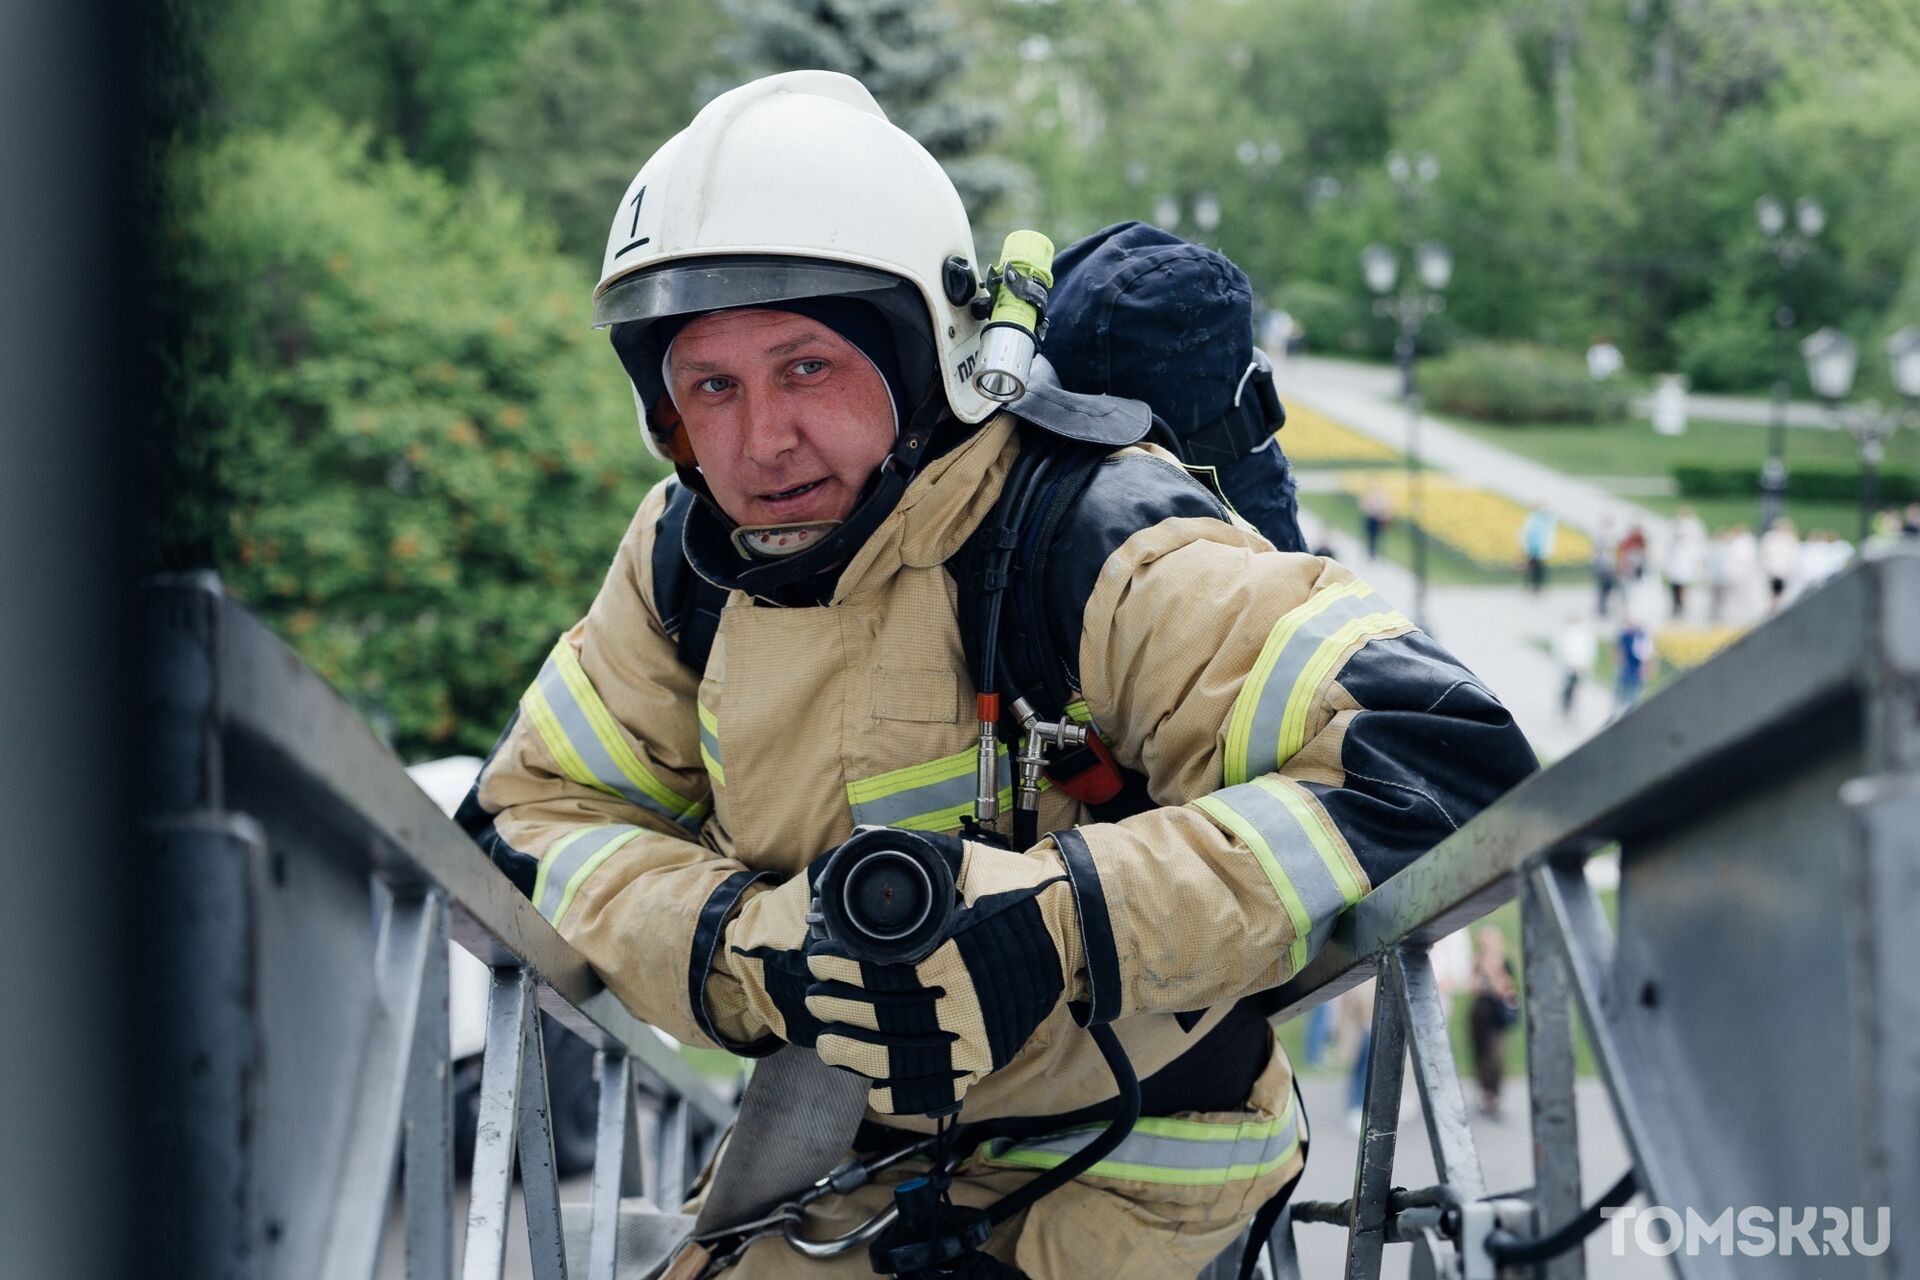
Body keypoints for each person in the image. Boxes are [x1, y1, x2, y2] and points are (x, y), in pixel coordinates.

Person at [456, 72, 1535, 1279]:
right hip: (841, 1168)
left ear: (928, 350)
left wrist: (1061, 922)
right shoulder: (684, 558)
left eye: (807, 366)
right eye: (711, 384)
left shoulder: (1087, 531)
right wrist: (741, 949)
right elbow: (523, 821)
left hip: (1138, 1179)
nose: (759, 442)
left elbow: (1435, 751)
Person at [1466, 927, 1518, 1119]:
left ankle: (1494, 1093)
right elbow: (1472, 988)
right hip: (1479, 1013)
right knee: (1479, 1053)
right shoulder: (1477, 962)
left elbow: (1505, 990)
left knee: (1495, 1055)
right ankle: (1485, 1092)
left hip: (1495, 1015)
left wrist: (1493, 970)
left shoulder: (1504, 963)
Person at [1664, 506, 1708, 620]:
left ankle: (1683, 605)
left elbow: (1699, 545)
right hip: (1677, 562)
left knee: (1685, 584)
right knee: (1676, 586)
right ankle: (1677, 605)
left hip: (1687, 562)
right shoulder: (1674, 525)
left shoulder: (1694, 526)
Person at [1555, 612, 1595, 719]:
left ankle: (1572, 710)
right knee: (1566, 688)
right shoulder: (1567, 633)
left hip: (1579, 666)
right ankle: (1564, 707)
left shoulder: (1584, 634)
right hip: (1569, 666)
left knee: (1576, 690)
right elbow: (1563, 650)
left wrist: (1583, 664)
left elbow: (1587, 651)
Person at [1760, 517, 1798, 612]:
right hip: (1772, 569)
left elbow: (1792, 555)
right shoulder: (1770, 538)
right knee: (1772, 590)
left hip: (1783, 570)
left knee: (1779, 591)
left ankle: (1776, 607)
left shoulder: (1789, 538)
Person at [1519, 505, 1558, 593]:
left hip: (1538, 547)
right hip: (1535, 547)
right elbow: (1528, 533)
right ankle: (1535, 585)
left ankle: (1535, 585)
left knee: (1536, 567)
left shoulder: (1538, 519)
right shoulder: (1535, 519)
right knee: (1535, 567)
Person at [1591, 515, 1620, 616]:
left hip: (1608, 565)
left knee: (1607, 588)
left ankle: (1604, 607)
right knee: (1603, 588)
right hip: (1604, 565)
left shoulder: (1610, 534)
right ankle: (1602, 608)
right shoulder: (1602, 535)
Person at [1360, 484, 1393, 561]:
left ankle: (1373, 552)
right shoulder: (1370, 497)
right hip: (1371, 519)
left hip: (1377, 520)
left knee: (1375, 537)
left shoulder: (1382, 499)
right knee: (1370, 536)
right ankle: (1370, 551)